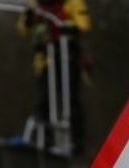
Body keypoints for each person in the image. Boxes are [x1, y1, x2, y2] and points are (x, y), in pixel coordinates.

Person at [17, 0, 90, 154]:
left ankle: (76, 141)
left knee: (70, 97)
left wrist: (70, 28)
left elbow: (84, 24)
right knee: (43, 101)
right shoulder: (34, 5)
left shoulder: (72, 2)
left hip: (67, 56)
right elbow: (22, 29)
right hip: (44, 60)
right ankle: (45, 139)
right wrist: (29, 18)